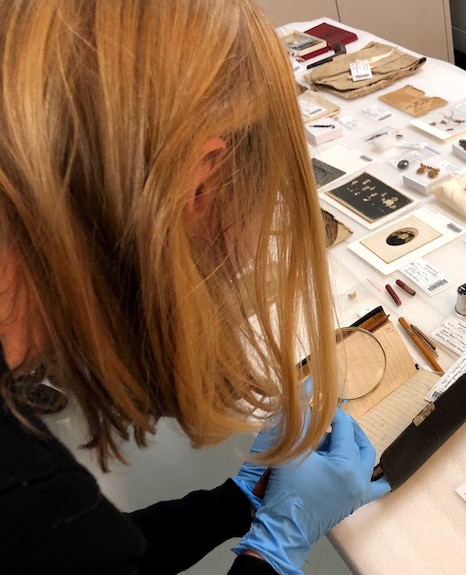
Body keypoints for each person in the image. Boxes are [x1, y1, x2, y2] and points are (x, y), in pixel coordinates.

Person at [0, 1, 389, 574]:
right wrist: (272, 552)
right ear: (200, 178)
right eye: (266, 194)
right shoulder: (29, 500)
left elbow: (106, 552)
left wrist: (236, 502)